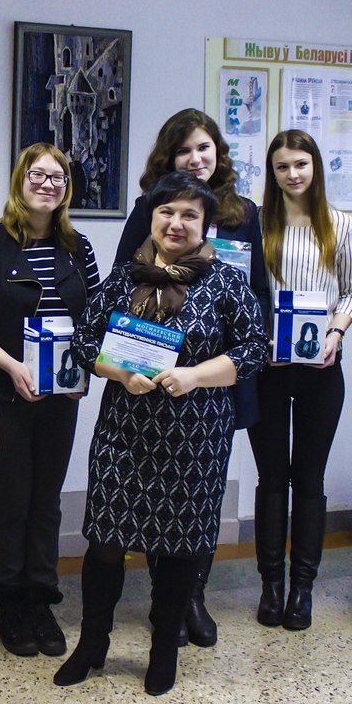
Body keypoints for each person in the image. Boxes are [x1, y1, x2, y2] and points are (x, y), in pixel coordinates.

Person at [58, 172, 266, 696]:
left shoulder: (225, 282)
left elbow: (253, 348)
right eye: (166, 212)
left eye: (189, 215)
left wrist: (195, 375)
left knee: (179, 548)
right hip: (124, 434)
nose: (176, 223)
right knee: (106, 542)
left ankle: (163, 651)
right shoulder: (125, 277)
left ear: (206, 224)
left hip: (196, 438)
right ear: (151, 217)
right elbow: (84, 340)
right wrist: (120, 372)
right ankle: (92, 643)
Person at [114, 108, 269, 648]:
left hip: (218, 377)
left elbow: (258, 293)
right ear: (169, 157)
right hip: (158, 373)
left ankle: (192, 596)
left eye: (204, 148)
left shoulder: (244, 213)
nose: (195, 158)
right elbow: (125, 283)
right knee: (161, 488)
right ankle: (167, 600)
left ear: (218, 154)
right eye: (184, 150)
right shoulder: (149, 209)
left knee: (202, 490)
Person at [0, 143, 101, 658]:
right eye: (38, 175)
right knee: (10, 500)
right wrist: (12, 366)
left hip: (60, 397)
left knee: (47, 499)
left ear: (67, 188)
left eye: (58, 178)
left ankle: (41, 599)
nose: (48, 185)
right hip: (8, 392)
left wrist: (87, 368)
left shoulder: (78, 247)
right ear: (20, 180)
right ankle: (10, 602)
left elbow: (95, 318)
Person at [246, 129, 352, 632]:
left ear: (315, 166)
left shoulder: (341, 224)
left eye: (300, 164)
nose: (292, 174)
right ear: (272, 174)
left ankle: (302, 588)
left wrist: (335, 333)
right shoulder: (257, 223)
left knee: (309, 479)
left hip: (321, 371)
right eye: (282, 167)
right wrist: (258, 336)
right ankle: (271, 585)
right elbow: (244, 289)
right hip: (268, 371)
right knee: (272, 478)